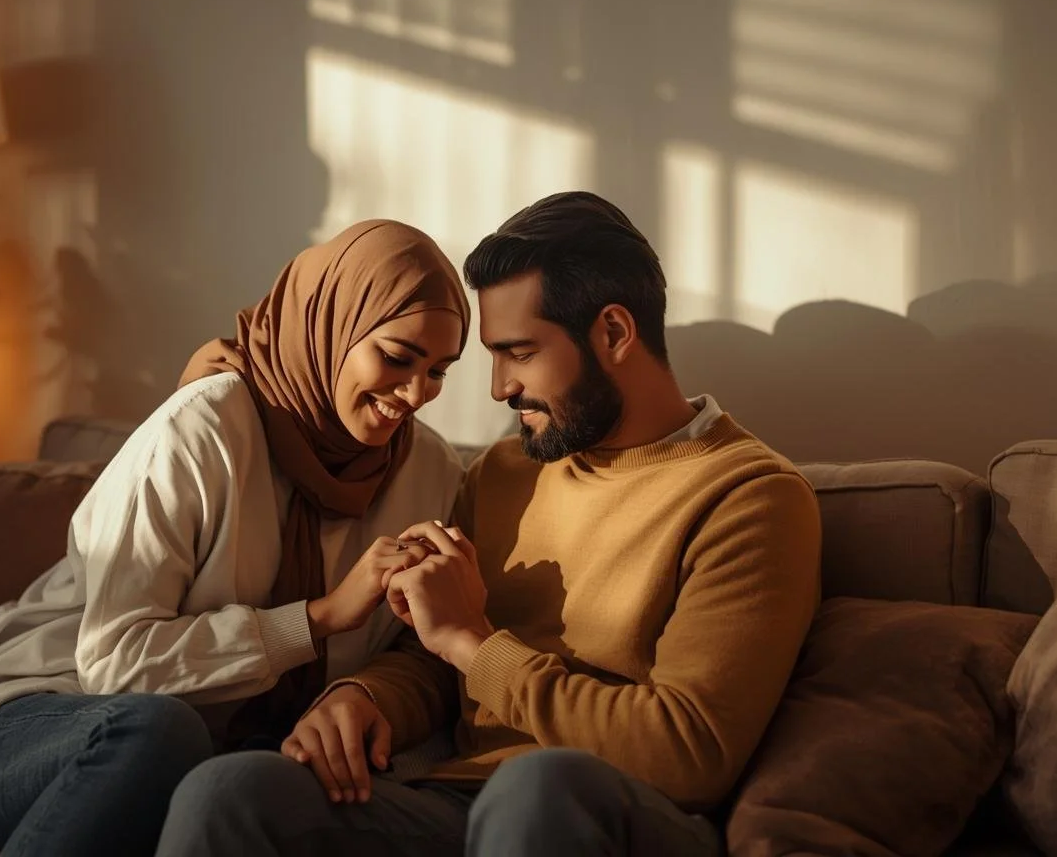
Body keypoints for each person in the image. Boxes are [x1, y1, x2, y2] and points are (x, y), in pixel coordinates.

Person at [155, 192, 823, 857]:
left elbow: (688, 754)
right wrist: (362, 697)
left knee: (537, 787)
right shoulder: (506, 471)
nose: (499, 388)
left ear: (614, 334)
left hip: (619, 811)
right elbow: (433, 655)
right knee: (233, 790)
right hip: (457, 806)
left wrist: (476, 645)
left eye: (519, 353)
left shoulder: (749, 498)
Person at [0, 220, 472, 855]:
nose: (414, 394)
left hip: (217, 753)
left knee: (241, 780)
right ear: (329, 324)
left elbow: (427, 654)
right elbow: (113, 664)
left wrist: (363, 694)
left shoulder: (430, 471)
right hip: (39, 723)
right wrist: (321, 618)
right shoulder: (203, 431)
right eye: (397, 357)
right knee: (157, 731)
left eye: (438, 371)